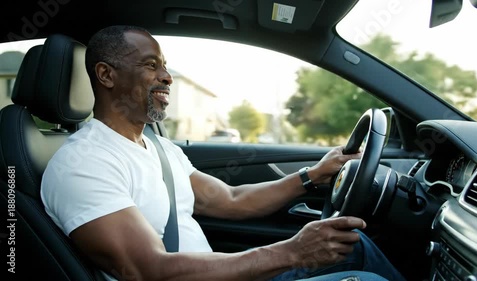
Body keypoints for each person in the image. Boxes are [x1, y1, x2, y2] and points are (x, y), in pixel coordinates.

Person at [41, 25, 405, 281]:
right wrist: (293, 252)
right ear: (106, 75)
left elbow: (230, 199)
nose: (167, 76)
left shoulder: (158, 147)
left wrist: (314, 174)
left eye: (165, 65)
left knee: (355, 246)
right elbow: (146, 270)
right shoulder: (83, 163)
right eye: (151, 65)